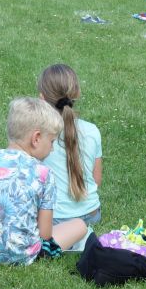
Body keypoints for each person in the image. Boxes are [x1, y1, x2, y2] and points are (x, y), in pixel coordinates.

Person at [0, 97, 88, 264]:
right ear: (36, 138)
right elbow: (45, 234)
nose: (53, 148)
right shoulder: (44, 173)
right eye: (52, 141)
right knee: (79, 225)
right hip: (24, 256)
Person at [38, 64, 102, 226]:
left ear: (42, 98)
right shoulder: (92, 130)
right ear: (77, 94)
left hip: (53, 219)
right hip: (91, 214)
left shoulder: (37, 135)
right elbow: (96, 179)